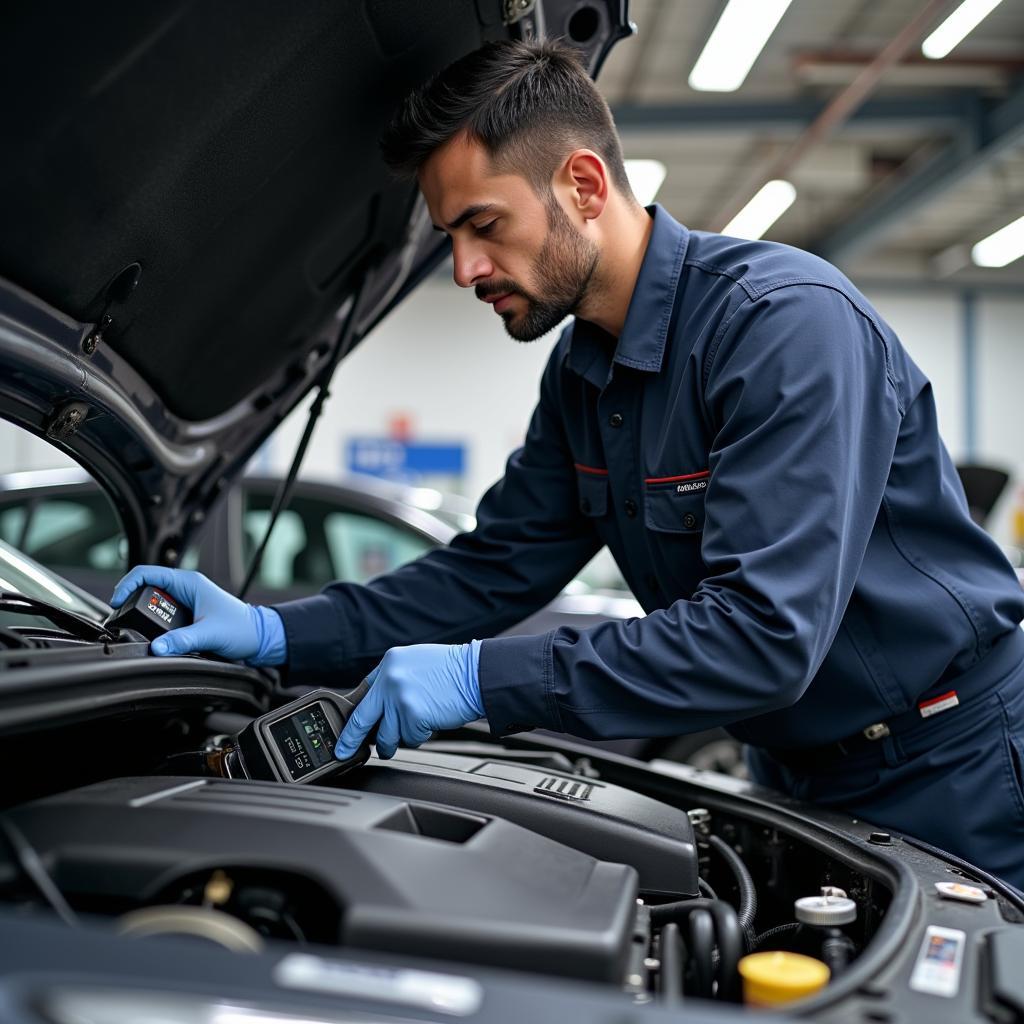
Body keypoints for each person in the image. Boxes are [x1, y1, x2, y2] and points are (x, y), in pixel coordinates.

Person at [113, 39, 1024, 887]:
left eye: (482, 225)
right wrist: (277, 634)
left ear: (583, 185)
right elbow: (488, 572)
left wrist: (479, 679)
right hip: (795, 772)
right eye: (449, 238)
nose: (465, 269)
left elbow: (760, 637)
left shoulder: (785, 327)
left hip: (954, 763)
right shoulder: (585, 371)